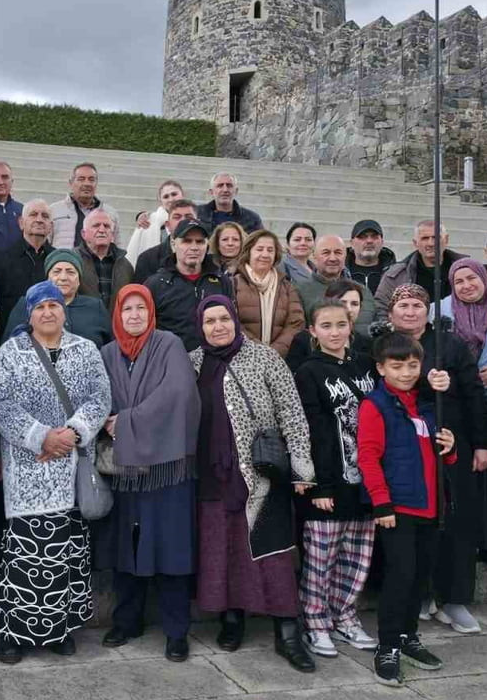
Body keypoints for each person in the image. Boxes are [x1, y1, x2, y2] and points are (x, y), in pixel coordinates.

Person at [189, 296, 316, 671]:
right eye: (209, 321)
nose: (217, 327)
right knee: (222, 550)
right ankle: (232, 618)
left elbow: (292, 414)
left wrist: (301, 470)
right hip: (212, 476)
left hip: (260, 474)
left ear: (235, 319)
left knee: (271, 552)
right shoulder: (193, 362)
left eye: (223, 318)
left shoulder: (264, 358)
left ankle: (288, 631)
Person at [0, 281, 111, 664]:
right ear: (29, 314)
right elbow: (1, 403)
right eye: (39, 307)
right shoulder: (12, 351)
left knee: (66, 552)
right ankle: (13, 633)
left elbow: (99, 396)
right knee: (25, 555)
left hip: (71, 466)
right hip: (28, 469)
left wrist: (72, 433)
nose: (47, 312)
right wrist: (41, 437)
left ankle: (60, 630)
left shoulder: (85, 349)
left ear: (64, 311)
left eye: (53, 306)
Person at [384, 284, 487, 636]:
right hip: (404, 448)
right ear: (391, 312)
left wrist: (484, 443)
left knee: (457, 521)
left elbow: (475, 394)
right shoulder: (383, 347)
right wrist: (423, 383)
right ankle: (419, 594)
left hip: (452, 444)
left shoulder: (450, 345)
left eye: (418, 304)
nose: (410, 311)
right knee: (414, 525)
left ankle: (454, 598)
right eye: (403, 304)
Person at [97, 285, 200, 661]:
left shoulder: (169, 344)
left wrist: (126, 421)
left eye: (142, 307)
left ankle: (176, 631)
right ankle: (127, 621)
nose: (135, 315)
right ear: (118, 314)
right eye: (128, 309)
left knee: (170, 546)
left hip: (166, 467)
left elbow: (177, 393)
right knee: (127, 545)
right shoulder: (108, 353)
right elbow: (97, 396)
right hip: (125, 468)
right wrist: (107, 420)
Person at [357, 332, 458, 687]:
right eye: (397, 366)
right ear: (381, 368)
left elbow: (441, 454)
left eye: (413, 365)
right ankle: (387, 645)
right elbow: (368, 457)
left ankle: (408, 635)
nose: (405, 373)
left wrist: (450, 447)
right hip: (398, 507)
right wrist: (381, 502)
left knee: (420, 577)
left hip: (430, 506)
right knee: (400, 577)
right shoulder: (376, 405)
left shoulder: (427, 405)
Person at [292, 302, 378, 658]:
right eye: (325, 325)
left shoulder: (366, 365)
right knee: (321, 558)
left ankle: (345, 616)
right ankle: (315, 622)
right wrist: (319, 485)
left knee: (356, 558)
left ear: (350, 326)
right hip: (329, 482)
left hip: (365, 481)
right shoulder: (308, 372)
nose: (334, 332)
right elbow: (309, 432)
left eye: (340, 324)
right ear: (313, 331)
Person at [437, 257, 487, 407]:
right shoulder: (438, 311)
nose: (466, 285)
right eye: (459, 282)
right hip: (452, 397)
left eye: (471, 278)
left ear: (483, 278)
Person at [145, 219, 233, 351]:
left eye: (200, 242)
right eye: (187, 241)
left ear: (207, 246)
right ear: (173, 244)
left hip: (214, 362)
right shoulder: (155, 285)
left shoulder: (221, 281)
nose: (194, 247)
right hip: (172, 362)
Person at [3, 249, 111, 346]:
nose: (63, 277)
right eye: (57, 271)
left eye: (70, 272)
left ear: (79, 281)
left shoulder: (96, 307)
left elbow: (110, 350)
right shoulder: (27, 304)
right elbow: (9, 347)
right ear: (47, 278)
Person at [230, 228, 305, 358]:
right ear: (249, 252)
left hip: (278, 359)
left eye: (270, 250)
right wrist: (258, 350)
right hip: (241, 358)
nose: (265, 254)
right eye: (259, 249)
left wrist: (274, 352)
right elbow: (231, 321)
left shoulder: (287, 286)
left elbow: (296, 323)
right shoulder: (232, 283)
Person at [373, 220, 464, 321]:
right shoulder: (395, 275)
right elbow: (381, 307)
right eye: (425, 238)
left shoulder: (466, 269)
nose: (431, 243)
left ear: (446, 240)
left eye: (436, 237)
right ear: (415, 243)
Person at [0, 199, 54, 331]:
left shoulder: (58, 262)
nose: (39, 220)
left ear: (51, 226)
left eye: (45, 216)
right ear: (21, 223)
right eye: (33, 214)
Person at [286, 278, 373, 371]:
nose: (349, 309)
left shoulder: (366, 344)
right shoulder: (303, 341)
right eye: (342, 302)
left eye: (354, 304)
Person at [294, 235, 374, 334]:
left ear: (345, 256)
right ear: (314, 256)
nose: (332, 258)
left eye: (338, 253)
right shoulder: (299, 290)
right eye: (326, 253)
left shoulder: (362, 291)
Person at [50, 162, 120, 249]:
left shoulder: (110, 213)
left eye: (91, 179)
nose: (87, 184)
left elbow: (117, 248)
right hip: (63, 260)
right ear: (71, 183)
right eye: (81, 179)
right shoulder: (53, 210)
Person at [77, 209, 134, 312]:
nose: (102, 230)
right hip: (82, 325)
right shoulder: (72, 261)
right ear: (83, 234)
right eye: (96, 225)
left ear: (112, 235)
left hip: (115, 326)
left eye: (106, 226)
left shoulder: (126, 266)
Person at [133, 199, 199, 284]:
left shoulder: (208, 259)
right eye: (177, 217)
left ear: (198, 222)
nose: (183, 221)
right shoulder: (147, 258)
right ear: (167, 224)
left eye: (189, 217)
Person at [126, 179, 185, 265]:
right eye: (166, 197)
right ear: (160, 201)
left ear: (183, 194)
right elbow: (132, 253)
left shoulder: (194, 219)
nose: (171, 199)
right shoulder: (147, 222)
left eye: (174, 194)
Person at [197, 171, 262, 233]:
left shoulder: (252, 219)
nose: (225, 190)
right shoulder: (197, 213)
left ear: (236, 191)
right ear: (211, 192)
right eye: (220, 185)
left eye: (229, 185)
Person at [346, 219, 396, 295]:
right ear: (352, 243)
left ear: (382, 242)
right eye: (362, 237)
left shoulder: (395, 274)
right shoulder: (340, 273)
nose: (369, 241)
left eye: (374, 237)